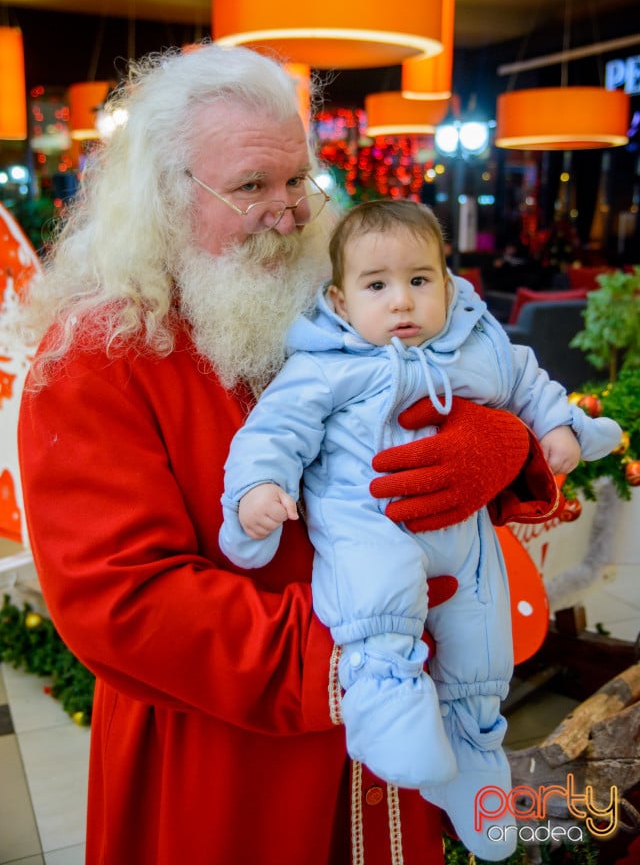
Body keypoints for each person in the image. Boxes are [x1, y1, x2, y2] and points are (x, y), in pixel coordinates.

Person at [18, 43, 557, 865]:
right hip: (226, 759)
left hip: (392, 729)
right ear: (166, 197)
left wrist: (507, 443)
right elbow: (122, 600)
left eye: (297, 178)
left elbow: (469, 385)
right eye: (251, 186)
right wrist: (354, 662)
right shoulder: (96, 354)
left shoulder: (334, 300)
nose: (292, 210)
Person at [219, 199, 622, 860]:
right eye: (376, 285)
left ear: (448, 280)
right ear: (341, 301)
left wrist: (557, 429)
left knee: (482, 630)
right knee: (380, 588)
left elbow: (528, 381)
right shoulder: (325, 363)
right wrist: (258, 491)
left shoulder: (477, 344)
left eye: (419, 279)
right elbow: (274, 431)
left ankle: (474, 754)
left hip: (461, 531)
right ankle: (385, 698)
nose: (401, 301)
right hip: (365, 520)